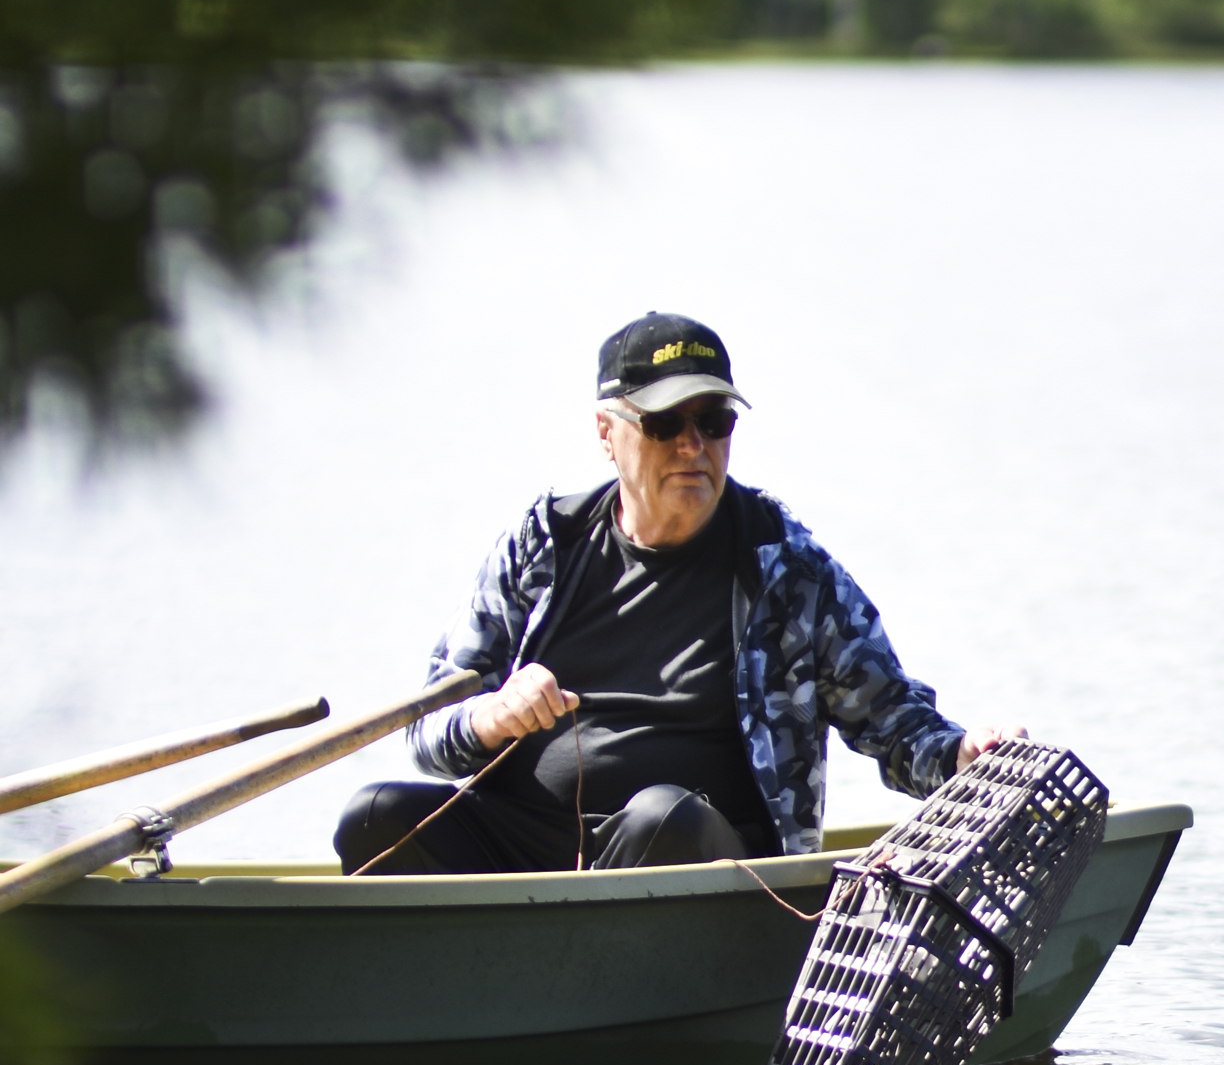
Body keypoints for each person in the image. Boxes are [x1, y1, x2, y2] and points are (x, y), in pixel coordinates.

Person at [335, 312, 1011, 876]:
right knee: (374, 816)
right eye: (664, 424)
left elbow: (894, 723)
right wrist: (492, 718)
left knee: (661, 818)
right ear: (607, 433)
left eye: (713, 420)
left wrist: (963, 756)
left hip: (691, 858)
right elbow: (427, 733)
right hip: (527, 847)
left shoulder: (787, 568)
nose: (692, 445)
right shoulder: (544, 543)